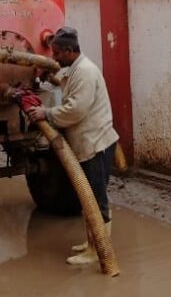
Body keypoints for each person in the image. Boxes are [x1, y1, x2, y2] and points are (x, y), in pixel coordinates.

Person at [25, 26, 119, 265]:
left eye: (56, 52)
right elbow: (67, 86)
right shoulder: (76, 70)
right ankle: (92, 243)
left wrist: (45, 113)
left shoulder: (85, 73)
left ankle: (98, 251)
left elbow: (75, 110)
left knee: (96, 199)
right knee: (87, 197)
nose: (53, 57)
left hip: (96, 144)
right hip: (87, 143)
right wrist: (49, 77)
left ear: (69, 51)